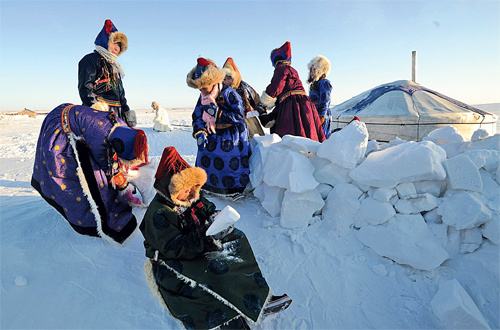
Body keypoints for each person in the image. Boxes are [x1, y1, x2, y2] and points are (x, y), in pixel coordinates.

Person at [141, 147, 291, 330]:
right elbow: (174, 247)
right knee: (213, 271)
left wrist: (216, 217)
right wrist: (206, 239)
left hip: (199, 244)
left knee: (237, 240)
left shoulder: (191, 197)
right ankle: (229, 318)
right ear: (170, 189)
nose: (190, 193)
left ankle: (258, 299)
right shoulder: (159, 213)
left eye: (192, 188)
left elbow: (207, 208)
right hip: (172, 260)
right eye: (185, 189)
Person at [31, 102, 148, 244]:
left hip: (67, 113)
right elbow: (106, 167)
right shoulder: (102, 139)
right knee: (82, 176)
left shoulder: (121, 125)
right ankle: (84, 215)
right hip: (59, 127)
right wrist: (120, 182)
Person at [186, 57, 250, 197]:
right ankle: (207, 186)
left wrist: (219, 113)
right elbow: (197, 114)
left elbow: (239, 116)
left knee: (227, 158)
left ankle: (232, 190)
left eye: (204, 86)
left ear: (213, 81)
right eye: (199, 87)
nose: (202, 90)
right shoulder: (203, 96)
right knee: (204, 154)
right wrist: (199, 131)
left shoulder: (229, 93)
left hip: (231, 134)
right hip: (211, 133)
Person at [257, 41, 326, 142]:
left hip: (293, 104)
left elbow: (276, 86)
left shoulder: (281, 68)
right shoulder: (292, 70)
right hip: (304, 104)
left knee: (292, 133)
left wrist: (263, 102)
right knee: (308, 131)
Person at [78, 19, 136, 127]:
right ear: (105, 41)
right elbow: (85, 87)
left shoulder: (115, 66)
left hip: (117, 113)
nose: (117, 48)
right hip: (100, 113)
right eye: (114, 43)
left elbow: (120, 94)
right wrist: (94, 107)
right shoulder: (91, 59)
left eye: (120, 46)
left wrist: (126, 110)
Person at [222, 57, 265, 139]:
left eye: (229, 78)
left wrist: (260, 108)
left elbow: (255, 98)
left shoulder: (244, 87)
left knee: (255, 141)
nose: (226, 81)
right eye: (224, 79)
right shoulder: (223, 92)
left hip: (249, 119)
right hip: (231, 121)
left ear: (235, 76)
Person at [308, 55, 333, 138]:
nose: (311, 72)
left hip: (322, 116)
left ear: (319, 70)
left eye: (313, 69)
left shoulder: (324, 83)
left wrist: (322, 116)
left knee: (322, 137)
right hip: (316, 115)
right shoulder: (315, 84)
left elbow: (326, 99)